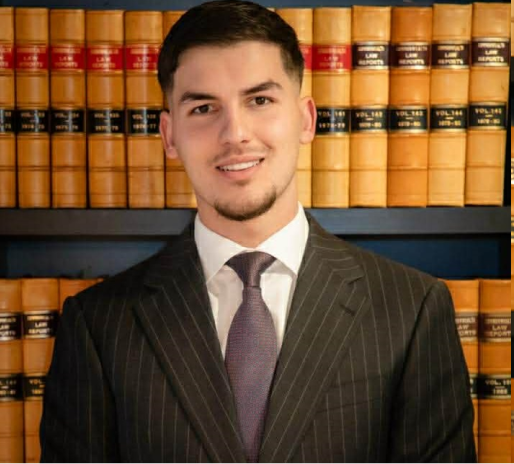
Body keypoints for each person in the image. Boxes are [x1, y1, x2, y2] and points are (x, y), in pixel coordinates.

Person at [39, 1, 476, 463]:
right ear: (169, 136)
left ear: (306, 119)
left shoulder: (412, 311)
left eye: (260, 101)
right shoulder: (98, 326)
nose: (235, 133)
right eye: (203, 107)